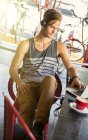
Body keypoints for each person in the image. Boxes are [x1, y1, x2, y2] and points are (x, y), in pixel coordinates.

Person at [9, 9, 84, 140]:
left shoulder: (60, 46)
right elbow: (13, 70)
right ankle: (26, 134)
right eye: (51, 26)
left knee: (50, 79)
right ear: (44, 23)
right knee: (27, 113)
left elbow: (71, 66)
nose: (54, 31)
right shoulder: (25, 44)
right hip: (27, 87)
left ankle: (38, 126)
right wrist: (20, 83)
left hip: (46, 89)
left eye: (57, 28)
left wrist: (75, 77)